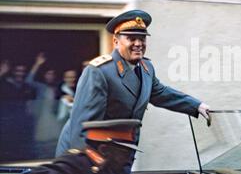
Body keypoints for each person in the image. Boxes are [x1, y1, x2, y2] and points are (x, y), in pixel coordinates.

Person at [55, 9, 211, 157]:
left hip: (121, 153)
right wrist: (79, 162)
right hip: (92, 154)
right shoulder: (99, 71)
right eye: (131, 38)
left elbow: (161, 93)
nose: (138, 44)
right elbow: (82, 124)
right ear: (116, 41)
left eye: (142, 38)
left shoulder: (146, 68)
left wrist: (197, 106)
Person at [26, 52, 61, 158]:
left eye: (52, 74)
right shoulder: (41, 87)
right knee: (41, 143)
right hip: (42, 117)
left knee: (54, 143)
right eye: (48, 74)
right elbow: (28, 80)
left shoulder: (57, 88)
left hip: (53, 117)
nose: (50, 76)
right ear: (45, 75)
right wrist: (37, 64)